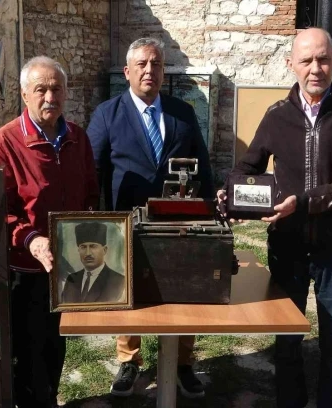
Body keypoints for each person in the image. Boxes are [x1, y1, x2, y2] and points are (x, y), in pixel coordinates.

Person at [218, 28, 332, 408]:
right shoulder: (277, 116)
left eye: (323, 59)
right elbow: (246, 167)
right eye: (306, 60)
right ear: (291, 64)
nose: (316, 68)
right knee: (286, 342)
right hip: (287, 245)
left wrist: (304, 202)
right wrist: (234, 195)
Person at [87, 37, 213, 399]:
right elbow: (93, 169)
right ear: (127, 72)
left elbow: (201, 164)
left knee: (185, 288)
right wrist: (94, 218)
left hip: (178, 221)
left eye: (156, 64)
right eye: (141, 64)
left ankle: (183, 362)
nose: (149, 71)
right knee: (131, 293)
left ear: (163, 71)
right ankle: (129, 360)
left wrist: (207, 207)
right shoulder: (107, 114)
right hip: (127, 221)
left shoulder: (182, 112)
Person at [0, 56, 98, 408]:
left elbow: (90, 193)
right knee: (27, 348)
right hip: (25, 269)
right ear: (24, 95)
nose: (50, 97)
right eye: (41, 89)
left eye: (57, 89)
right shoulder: (4, 144)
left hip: (67, 264)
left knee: (56, 340)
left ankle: (50, 396)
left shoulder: (77, 137)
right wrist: (32, 240)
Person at [61, 222, 126, 304]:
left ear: (104, 250)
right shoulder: (71, 279)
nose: (88, 253)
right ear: (79, 250)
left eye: (93, 246)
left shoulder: (118, 281)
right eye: (83, 247)